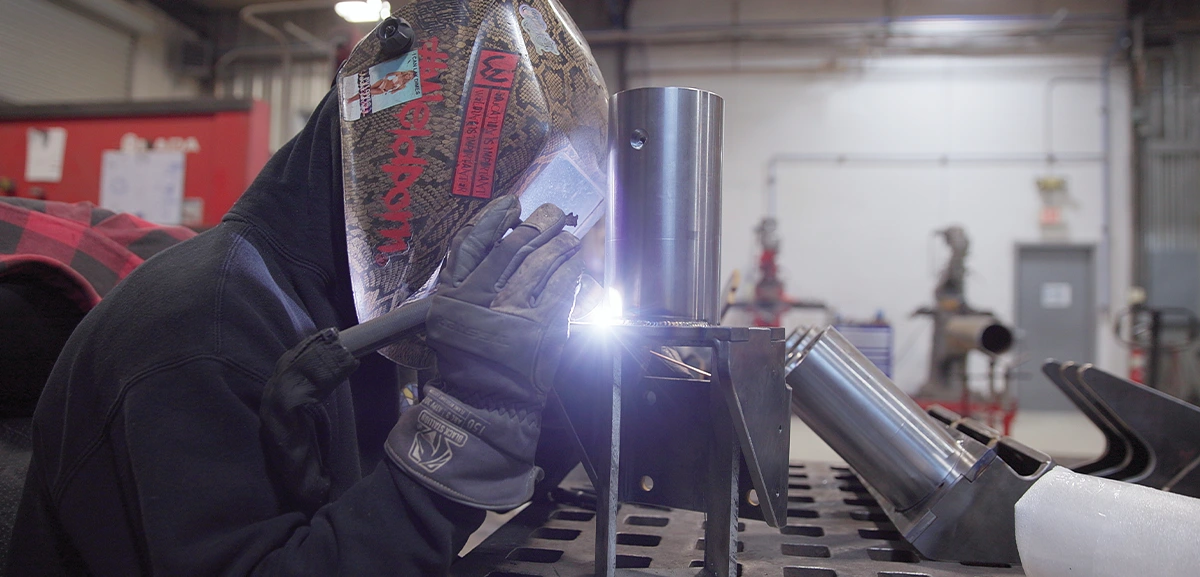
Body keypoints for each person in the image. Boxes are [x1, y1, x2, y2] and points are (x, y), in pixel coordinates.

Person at [6, 1, 609, 574]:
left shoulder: (362, 309)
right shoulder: (205, 329)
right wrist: (467, 427)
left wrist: (550, 386)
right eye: (496, 203)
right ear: (407, 158)